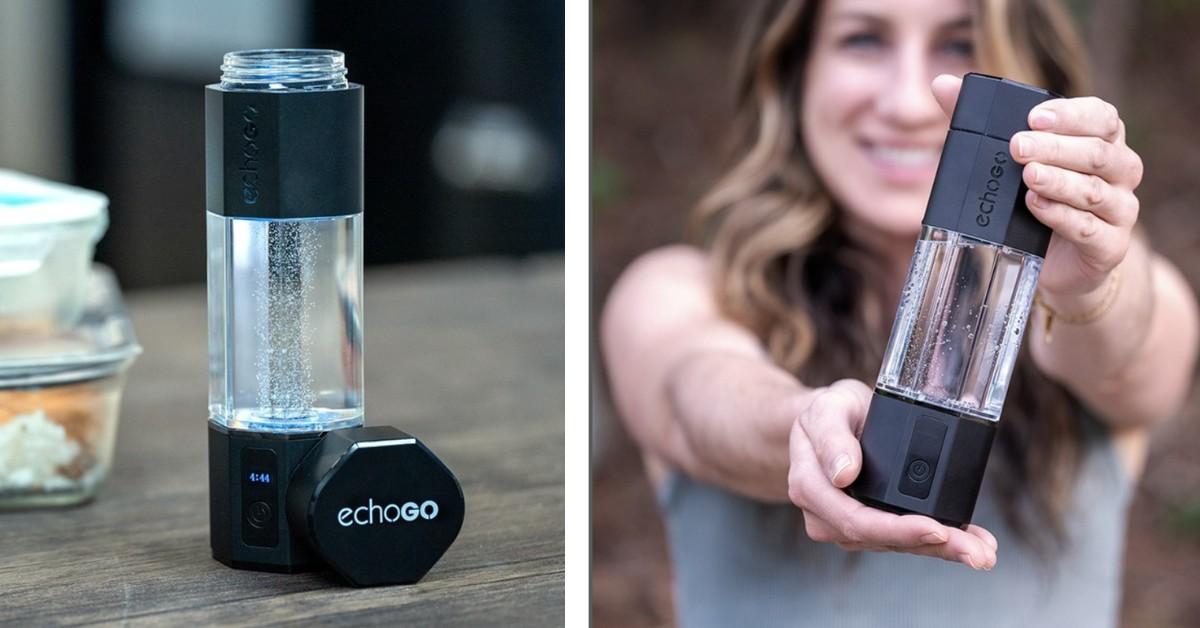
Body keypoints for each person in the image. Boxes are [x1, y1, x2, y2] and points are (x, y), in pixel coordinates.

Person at [600, 0, 1199, 625]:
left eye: (961, 44)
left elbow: (1135, 355)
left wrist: (1085, 287)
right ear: (796, 69)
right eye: (863, 40)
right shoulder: (677, 292)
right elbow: (696, 390)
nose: (910, 102)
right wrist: (805, 425)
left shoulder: (1132, 287)